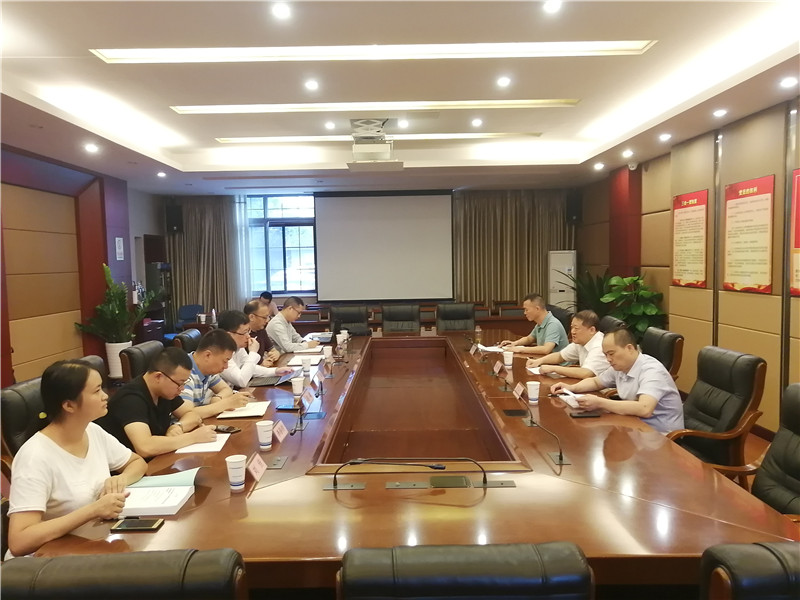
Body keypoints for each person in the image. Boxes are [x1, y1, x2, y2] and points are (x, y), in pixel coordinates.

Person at [7, 360, 147, 557]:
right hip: (47, 563)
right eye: (96, 391)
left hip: (94, 547)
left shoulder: (92, 430)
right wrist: (94, 510)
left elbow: (136, 463)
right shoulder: (34, 457)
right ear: (69, 405)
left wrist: (120, 479)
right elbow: (19, 541)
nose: (105, 396)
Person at [551, 327, 684, 434]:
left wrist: (600, 403)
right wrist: (570, 388)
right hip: (634, 427)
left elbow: (644, 409)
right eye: (605, 355)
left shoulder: (652, 370)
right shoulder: (620, 367)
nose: (608, 359)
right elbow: (596, 382)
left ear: (629, 348)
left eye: (611, 353)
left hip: (661, 435)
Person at [96, 347, 216, 459]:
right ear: (158, 377)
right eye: (180, 383)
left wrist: (178, 426)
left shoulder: (165, 391)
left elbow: (192, 414)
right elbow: (145, 447)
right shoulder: (130, 399)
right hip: (129, 468)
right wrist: (192, 438)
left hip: (159, 459)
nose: (182, 388)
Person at [180, 329, 254, 418]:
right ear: (208, 355)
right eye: (225, 361)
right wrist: (225, 404)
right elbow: (186, 413)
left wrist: (218, 398)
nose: (226, 366)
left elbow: (226, 389)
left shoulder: (206, 369)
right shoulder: (184, 372)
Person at [217, 309, 294, 388]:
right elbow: (241, 381)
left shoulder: (238, 347)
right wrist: (253, 353)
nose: (248, 336)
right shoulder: (220, 352)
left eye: (248, 331)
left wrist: (275, 371)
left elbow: (250, 368)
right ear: (229, 335)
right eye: (244, 332)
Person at [525, 310, 609, 379]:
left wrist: (553, 368)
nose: (572, 331)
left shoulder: (599, 346)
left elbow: (586, 373)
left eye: (576, 328)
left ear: (592, 330)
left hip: (604, 391)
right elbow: (560, 356)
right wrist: (538, 361)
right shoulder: (581, 341)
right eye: (572, 327)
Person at [500, 294, 568, 355]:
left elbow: (546, 349)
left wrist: (520, 349)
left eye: (526, 310)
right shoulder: (540, 323)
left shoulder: (553, 324)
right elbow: (529, 339)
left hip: (559, 364)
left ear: (537, 308)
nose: (524, 313)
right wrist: (514, 343)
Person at [244, 299, 280, 366]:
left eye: (268, 317)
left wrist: (275, 353)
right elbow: (243, 361)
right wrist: (260, 363)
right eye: (264, 317)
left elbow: (271, 349)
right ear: (251, 317)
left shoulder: (261, 330)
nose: (267, 320)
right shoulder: (241, 335)